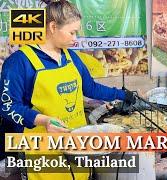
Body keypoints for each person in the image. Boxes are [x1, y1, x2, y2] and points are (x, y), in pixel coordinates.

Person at [0, 0, 135, 179]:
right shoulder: (19, 62)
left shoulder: (71, 57)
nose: (75, 38)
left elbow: (91, 88)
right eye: (72, 32)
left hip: (77, 146)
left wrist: (122, 94)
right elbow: (7, 107)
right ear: (53, 26)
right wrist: (45, 121)